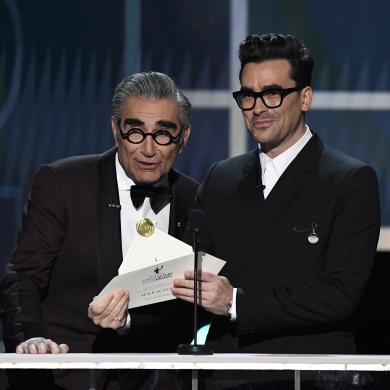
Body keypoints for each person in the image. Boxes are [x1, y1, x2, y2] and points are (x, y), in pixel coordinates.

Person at [172, 33, 381, 388]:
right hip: (227, 373)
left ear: (305, 98)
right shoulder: (221, 177)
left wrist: (236, 302)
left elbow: (339, 294)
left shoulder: (349, 180)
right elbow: (193, 274)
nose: (257, 107)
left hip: (311, 373)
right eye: (248, 96)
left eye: (272, 93)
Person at [0, 71, 197, 389]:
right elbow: (22, 277)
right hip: (65, 377)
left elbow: (189, 309)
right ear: (115, 130)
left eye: (163, 134)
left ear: (183, 138)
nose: (148, 149)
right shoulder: (63, 183)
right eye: (135, 132)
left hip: (156, 381)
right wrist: (30, 340)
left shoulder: (195, 200)